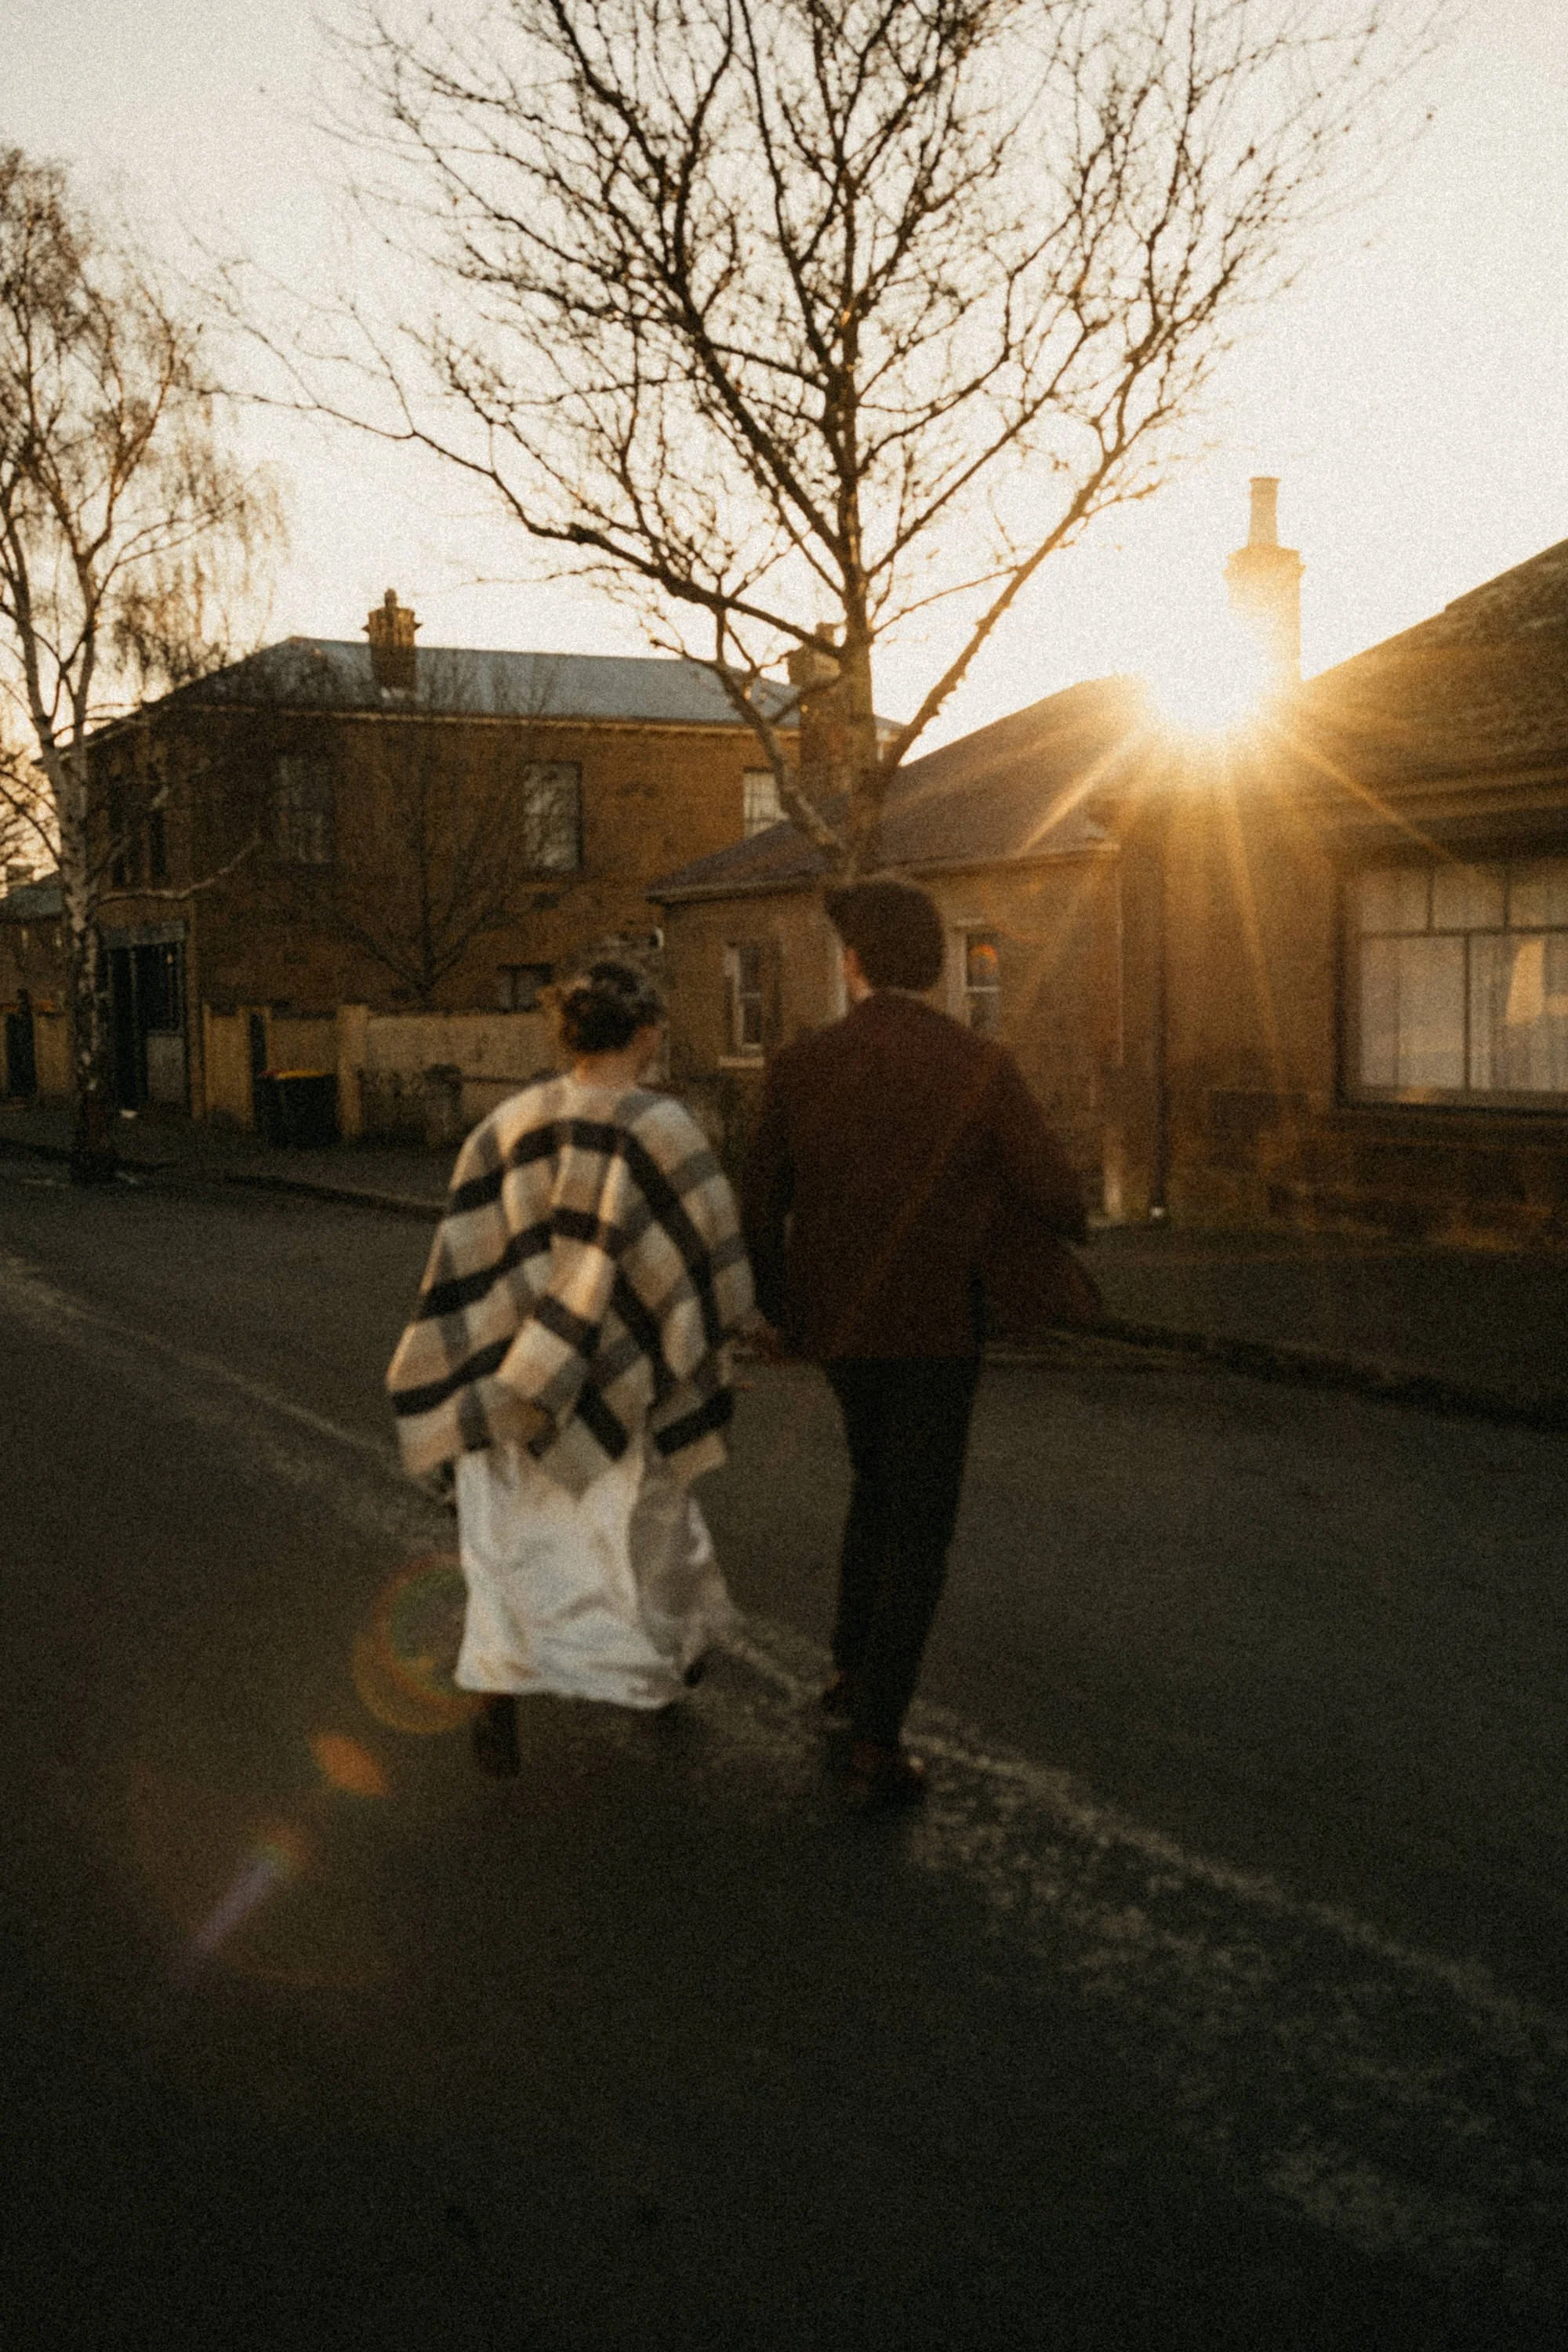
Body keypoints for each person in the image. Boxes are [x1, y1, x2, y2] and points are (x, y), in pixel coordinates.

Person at [742, 880, 1087, 1807]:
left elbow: (758, 1205)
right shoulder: (978, 1063)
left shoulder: (799, 1065)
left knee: (873, 1484)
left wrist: (781, 1311)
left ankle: (849, 1669)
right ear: (932, 964)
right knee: (919, 1523)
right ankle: (874, 1742)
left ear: (854, 961)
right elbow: (1059, 1198)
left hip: (837, 1326)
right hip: (937, 1325)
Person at [387, 960, 753, 1774]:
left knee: (507, 1542)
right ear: (647, 1032)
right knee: (643, 1533)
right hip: (625, 1385)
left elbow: (466, 1259)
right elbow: (703, 1261)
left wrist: (506, 1356)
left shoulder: (507, 1124)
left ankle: (497, 1688)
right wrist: (708, 1345)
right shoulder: (663, 1127)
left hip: (510, 1380)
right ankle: (665, 1665)